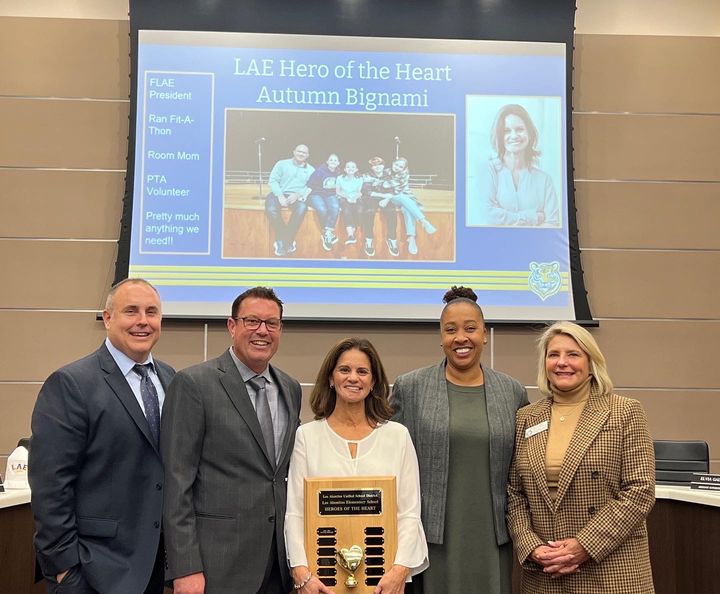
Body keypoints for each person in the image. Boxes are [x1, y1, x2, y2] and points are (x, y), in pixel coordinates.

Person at [29, 278, 175, 594]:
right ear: (108, 318)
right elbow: (51, 486)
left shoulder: (171, 379)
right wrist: (64, 569)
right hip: (93, 571)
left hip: (152, 569)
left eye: (152, 312)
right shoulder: (71, 384)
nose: (143, 321)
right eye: (131, 311)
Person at [161, 287, 302, 594]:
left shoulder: (290, 388)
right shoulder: (194, 384)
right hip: (216, 565)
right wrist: (184, 567)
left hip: (277, 565)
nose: (262, 331)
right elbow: (176, 482)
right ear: (232, 326)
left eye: (272, 323)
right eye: (252, 321)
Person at [392, 286, 528, 594]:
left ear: (484, 334)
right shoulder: (411, 388)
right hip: (432, 537)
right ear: (441, 337)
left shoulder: (512, 392)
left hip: (491, 537)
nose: (461, 338)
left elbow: (522, 469)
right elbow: (391, 461)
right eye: (450, 330)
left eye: (470, 328)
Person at [506, 321, 656, 594]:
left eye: (573, 354)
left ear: (591, 362)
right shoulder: (526, 417)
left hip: (610, 571)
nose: (562, 363)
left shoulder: (625, 412)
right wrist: (532, 547)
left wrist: (584, 546)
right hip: (545, 574)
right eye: (554, 355)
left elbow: (640, 491)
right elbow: (514, 494)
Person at [286, 337, 428, 594]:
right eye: (344, 370)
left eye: (362, 371)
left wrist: (399, 571)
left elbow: (409, 513)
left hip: (386, 583)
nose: (353, 378)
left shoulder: (397, 436)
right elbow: (295, 512)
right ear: (331, 378)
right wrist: (301, 573)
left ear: (373, 382)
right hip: (320, 583)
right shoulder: (306, 436)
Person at [471, 103, 559, 227]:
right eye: (506, 131)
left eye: (519, 129)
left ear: (529, 133)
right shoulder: (487, 170)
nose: (514, 136)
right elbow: (488, 216)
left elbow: (552, 224)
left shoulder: (545, 180)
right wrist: (532, 217)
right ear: (499, 136)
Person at [265, 144, 315, 256]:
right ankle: (288, 240)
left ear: (308, 155)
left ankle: (282, 241)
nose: (301, 154)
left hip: (296, 196)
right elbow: (273, 181)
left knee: (302, 208)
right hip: (279, 193)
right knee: (271, 208)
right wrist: (280, 195)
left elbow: (310, 186)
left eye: (304, 152)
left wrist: (297, 194)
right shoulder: (282, 164)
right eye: (299, 151)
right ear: (294, 152)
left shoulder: (311, 170)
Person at [381, 157, 436, 256]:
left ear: (404, 168)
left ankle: (411, 238)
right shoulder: (386, 171)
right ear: (393, 163)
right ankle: (423, 221)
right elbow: (386, 187)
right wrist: (386, 184)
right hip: (393, 197)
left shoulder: (404, 175)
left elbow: (388, 185)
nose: (397, 167)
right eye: (396, 165)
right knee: (401, 196)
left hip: (406, 197)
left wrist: (386, 183)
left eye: (400, 167)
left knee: (406, 209)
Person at [361, 156, 400, 258]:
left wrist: (387, 199)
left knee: (392, 211)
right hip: (372, 197)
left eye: (380, 165)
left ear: (383, 166)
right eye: (375, 165)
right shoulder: (366, 175)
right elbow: (367, 191)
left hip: (386, 198)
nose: (378, 167)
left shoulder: (389, 175)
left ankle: (392, 239)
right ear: (371, 167)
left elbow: (393, 190)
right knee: (369, 211)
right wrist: (383, 196)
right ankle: (368, 240)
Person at [307, 153, 341, 251]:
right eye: (331, 160)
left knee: (335, 207)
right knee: (322, 209)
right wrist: (304, 196)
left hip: (330, 194)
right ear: (327, 162)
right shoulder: (319, 171)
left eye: (335, 160)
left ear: (338, 163)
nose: (333, 162)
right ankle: (328, 233)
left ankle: (327, 233)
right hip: (316, 193)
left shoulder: (338, 173)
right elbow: (310, 184)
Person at [335, 160, 365, 250]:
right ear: (344, 169)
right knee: (346, 209)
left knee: (359, 210)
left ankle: (354, 231)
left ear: (356, 169)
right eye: (348, 167)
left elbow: (360, 192)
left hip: (356, 197)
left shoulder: (360, 178)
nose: (350, 168)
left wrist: (355, 198)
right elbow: (338, 191)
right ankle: (350, 235)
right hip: (344, 197)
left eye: (353, 167)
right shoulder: (340, 178)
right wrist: (347, 197)